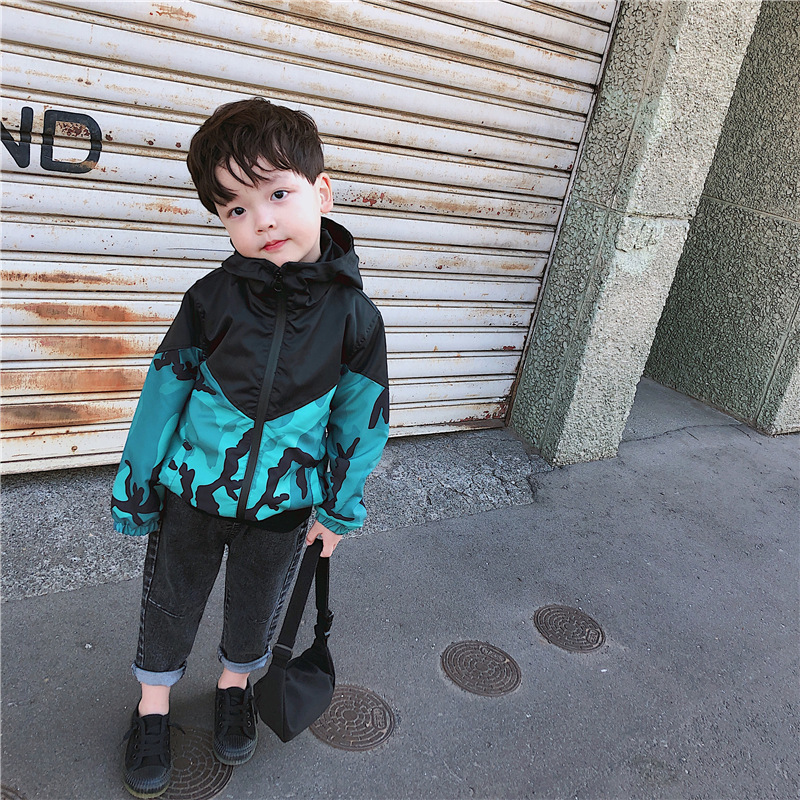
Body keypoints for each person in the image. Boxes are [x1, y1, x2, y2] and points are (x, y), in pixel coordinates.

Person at [111, 97, 390, 798]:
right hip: (192, 494)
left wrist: (340, 509)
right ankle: (152, 707)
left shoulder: (355, 318)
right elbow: (162, 395)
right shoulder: (211, 298)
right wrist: (137, 486)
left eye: (277, 194)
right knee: (170, 602)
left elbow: (361, 422)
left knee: (256, 607)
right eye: (235, 208)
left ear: (322, 191)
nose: (260, 219)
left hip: (283, 505)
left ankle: (235, 687)